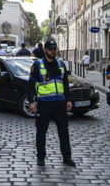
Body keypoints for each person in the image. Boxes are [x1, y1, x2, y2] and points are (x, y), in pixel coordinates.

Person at [28, 39, 76, 167]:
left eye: (54, 49)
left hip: (60, 103)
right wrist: (32, 102)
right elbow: (31, 85)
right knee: (41, 132)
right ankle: (41, 158)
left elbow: (65, 83)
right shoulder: (38, 65)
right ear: (45, 50)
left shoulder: (61, 64)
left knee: (63, 132)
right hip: (44, 103)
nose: (52, 51)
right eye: (50, 49)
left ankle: (67, 157)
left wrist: (68, 99)